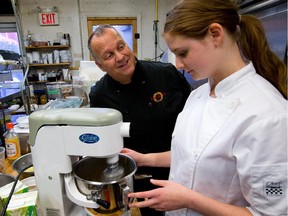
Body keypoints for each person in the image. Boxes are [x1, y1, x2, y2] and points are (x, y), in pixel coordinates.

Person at [121, 0, 288, 215]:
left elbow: (270, 213)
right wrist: (146, 159)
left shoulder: (268, 116)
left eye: (183, 53)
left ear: (215, 34)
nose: (178, 64)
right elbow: (195, 156)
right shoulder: (199, 94)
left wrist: (189, 200)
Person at [87, 24, 191, 215]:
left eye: (120, 46)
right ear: (100, 65)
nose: (120, 57)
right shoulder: (99, 95)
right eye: (109, 55)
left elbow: (194, 119)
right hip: (142, 178)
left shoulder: (166, 74)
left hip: (184, 168)